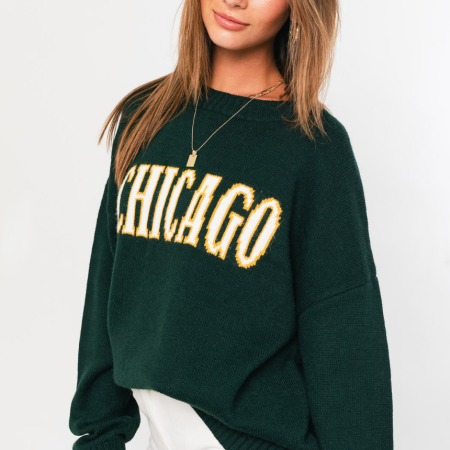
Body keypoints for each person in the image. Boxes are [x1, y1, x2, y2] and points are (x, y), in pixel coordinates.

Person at [68, 0, 394, 449]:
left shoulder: (315, 149)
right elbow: (107, 288)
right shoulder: (145, 117)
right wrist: (98, 436)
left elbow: (345, 340)